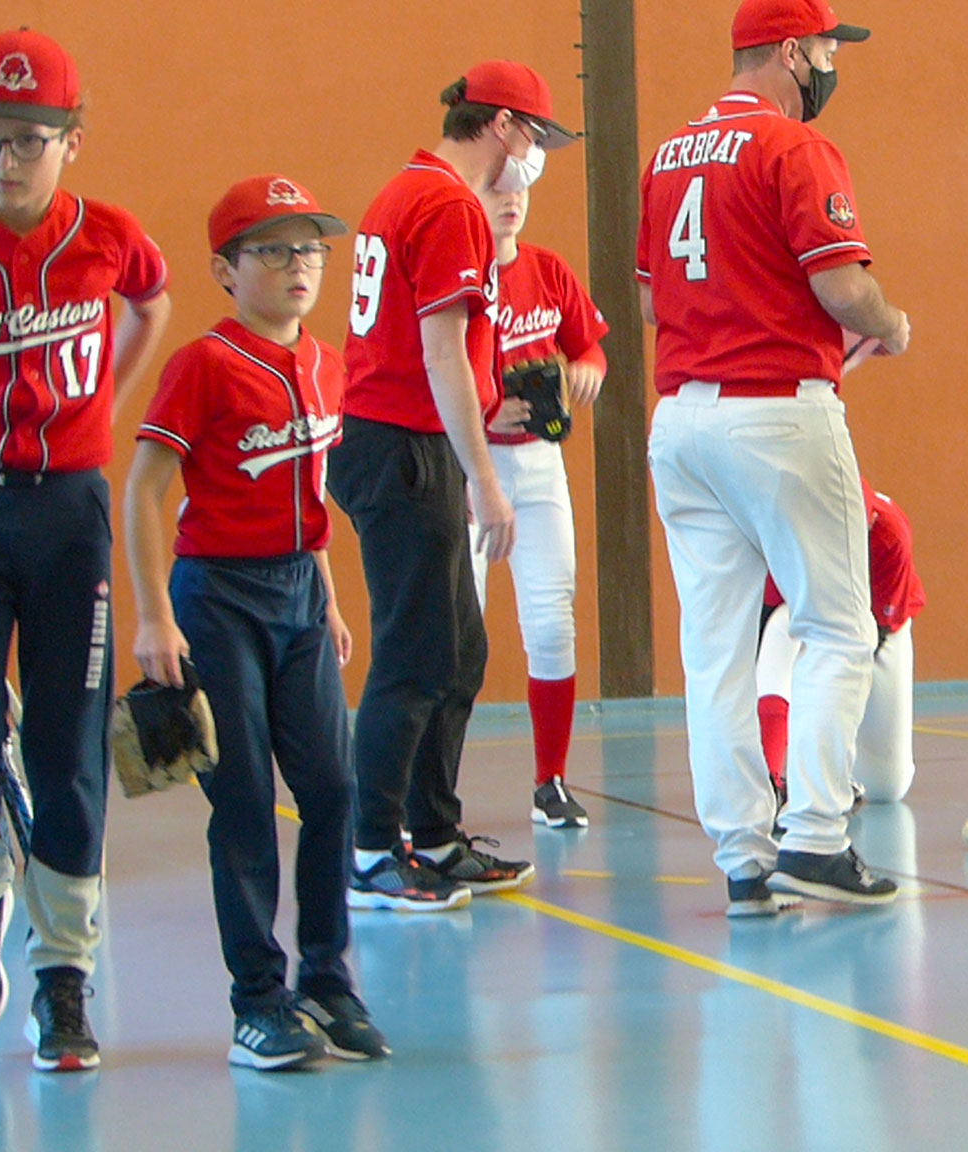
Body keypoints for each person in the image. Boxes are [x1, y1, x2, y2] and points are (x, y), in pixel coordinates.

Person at [637, 0, 911, 914]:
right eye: (828, 47)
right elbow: (841, 283)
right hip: (778, 414)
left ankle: (744, 859)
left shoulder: (668, 155)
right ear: (792, 51)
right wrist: (889, 325)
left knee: (715, 650)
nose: (833, 65)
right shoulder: (795, 148)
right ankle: (819, 836)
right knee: (838, 626)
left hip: (682, 420)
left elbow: (652, 301)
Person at [125, 175, 390, 1069]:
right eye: (272, 250)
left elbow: (306, 496)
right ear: (225, 270)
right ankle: (258, 1000)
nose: (297, 266)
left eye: (309, 248)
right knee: (242, 801)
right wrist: (155, 617)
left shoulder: (327, 363)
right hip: (218, 598)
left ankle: (327, 980)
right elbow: (144, 492)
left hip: (300, 596)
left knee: (333, 789)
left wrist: (331, 599)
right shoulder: (203, 364)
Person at [0, 28, 172, 1072]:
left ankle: (63, 977)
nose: (5, 160)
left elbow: (152, 303)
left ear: (71, 140)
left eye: (28, 139)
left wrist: (102, 407)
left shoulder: (108, 236)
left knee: (69, 750)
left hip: (68, 516)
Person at [331, 60, 578, 907]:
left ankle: (433, 833)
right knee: (414, 653)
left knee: (458, 647)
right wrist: (484, 478)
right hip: (401, 444)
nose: (533, 159)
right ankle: (373, 849)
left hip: (406, 437)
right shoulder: (447, 205)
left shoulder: (412, 191)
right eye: (535, 137)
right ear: (503, 126)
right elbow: (440, 351)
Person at [468, 184, 609, 830]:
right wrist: (484, 411)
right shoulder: (457, 280)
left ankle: (550, 780)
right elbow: (431, 371)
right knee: (456, 633)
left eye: (519, 188)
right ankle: (426, 792)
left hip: (539, 462)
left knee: (552, 623)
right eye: (496, 188)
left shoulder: (548, 270)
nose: (511, 199)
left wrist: (587, 369)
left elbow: (590, 345)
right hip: (472, 464)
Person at [757, 484, 922, 816]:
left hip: (876, 625)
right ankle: (767, 782)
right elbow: (768, 620)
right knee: (777, 636)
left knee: (886, 786)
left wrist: (831, 770)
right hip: (810, 608)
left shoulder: (889, 536)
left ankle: (832, 774)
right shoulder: (788, 530)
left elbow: (866, 646)